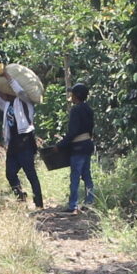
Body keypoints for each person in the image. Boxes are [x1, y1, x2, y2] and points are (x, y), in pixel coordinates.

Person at [0, 59, 44, 207]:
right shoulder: (7, 105)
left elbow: (20, 91)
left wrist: (8, 78)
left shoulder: (25, 101)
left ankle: (39, 202)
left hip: (25, 140)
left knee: (30, 173)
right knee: (10, 173)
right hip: (14, 142)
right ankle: (20, 196)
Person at [60, 83, 96, 211]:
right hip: (87, 144)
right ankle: (89, 202)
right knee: (87, 175)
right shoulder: (89, 109)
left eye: (73, 94)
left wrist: (61, 144)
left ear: (77, 96)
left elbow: (73, 131)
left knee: (75, 176)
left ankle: (73, 204)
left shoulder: (76, 110)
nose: (71, 97)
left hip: (78, 147)